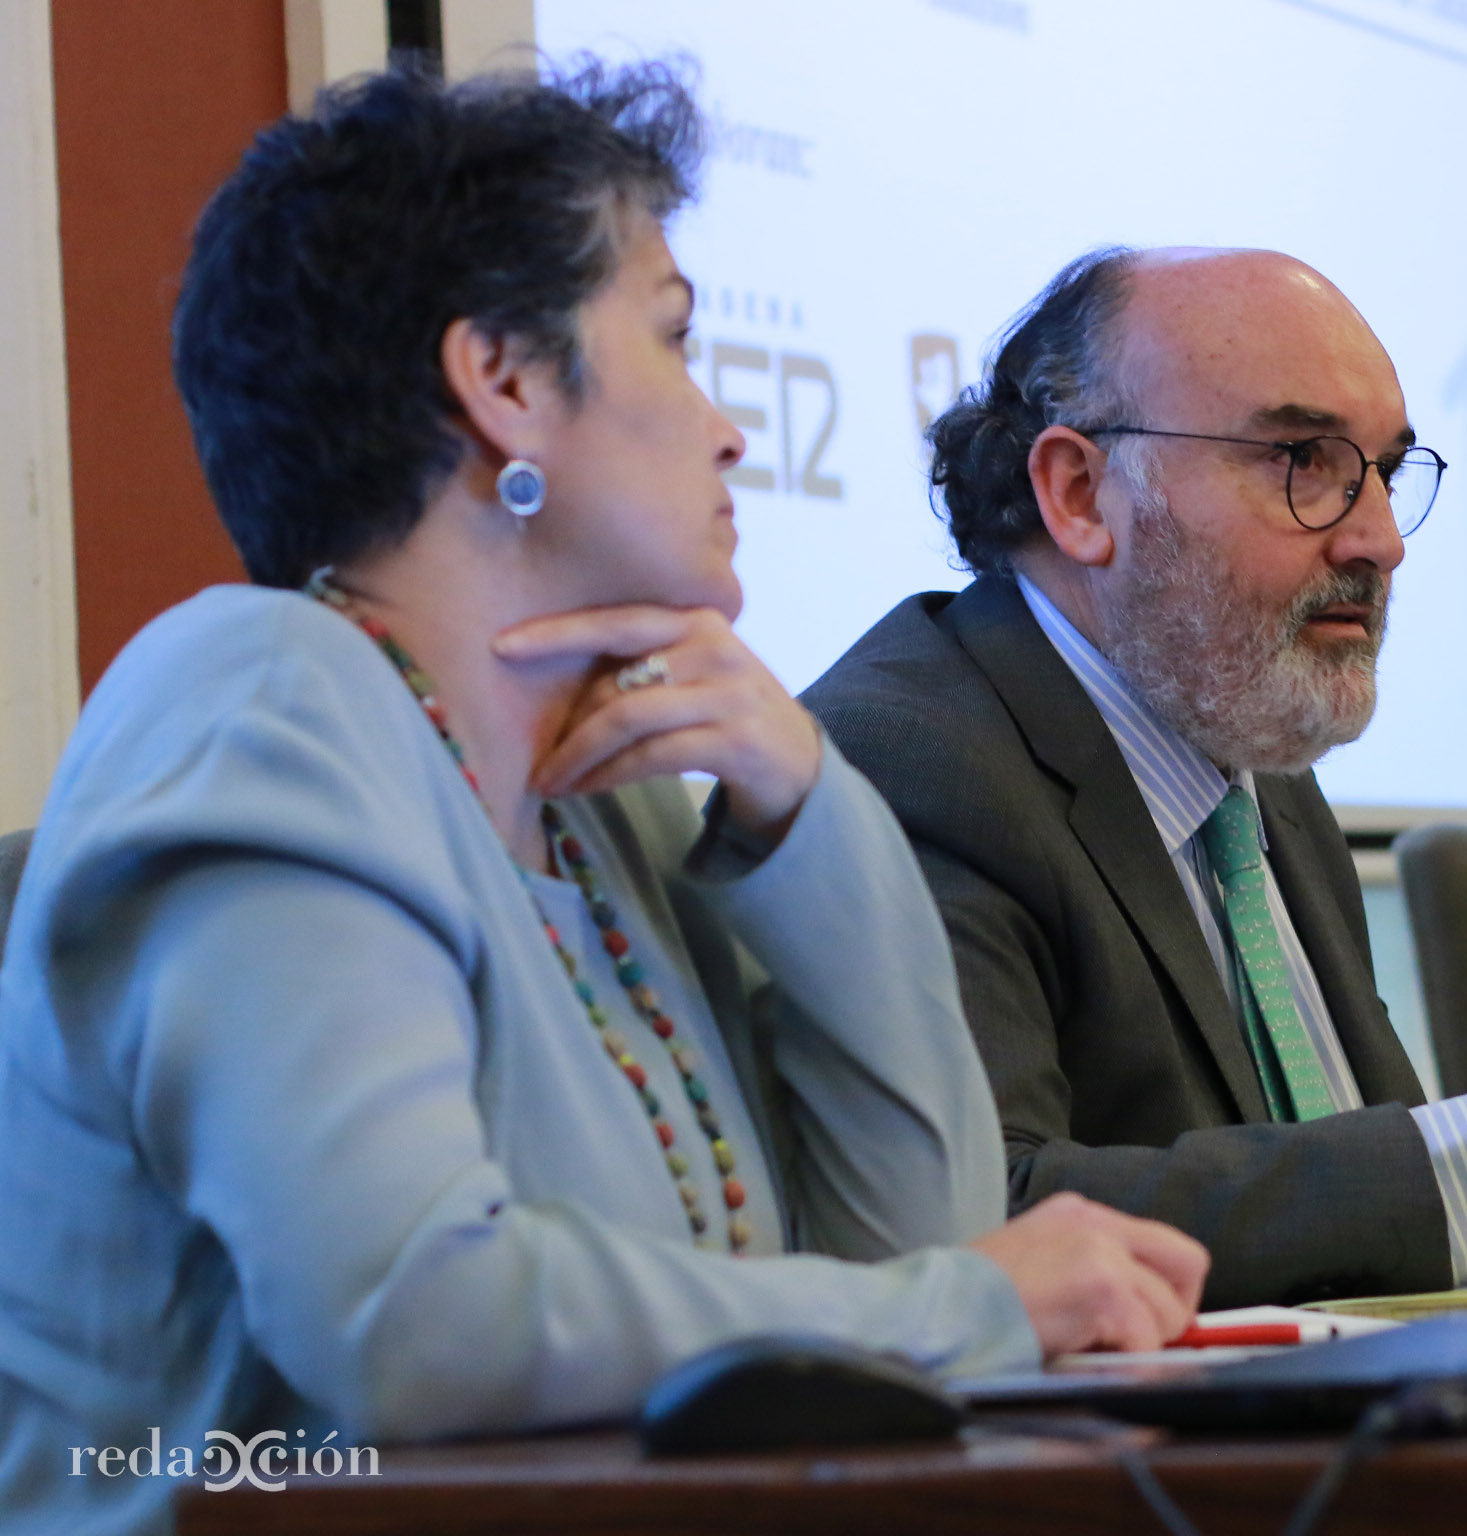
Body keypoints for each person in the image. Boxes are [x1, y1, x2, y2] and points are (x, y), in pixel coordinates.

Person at [0, 66, 1201, 1536]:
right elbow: (416, 1325)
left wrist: (809, 822)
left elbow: (913, 1264)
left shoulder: (606, 797)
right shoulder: (256, 700)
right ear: (502, 381)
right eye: (675, 338)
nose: (731, 429)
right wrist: (968, 1304)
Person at [805, 246, 1467, 1309]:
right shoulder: (907, 756)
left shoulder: (1256, 764)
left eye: (1386, 472)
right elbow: (989, 1223)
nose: (1382, 540)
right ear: (1080, 494)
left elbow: (1348, 1164)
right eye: (1304, 460)